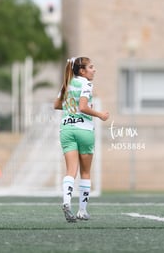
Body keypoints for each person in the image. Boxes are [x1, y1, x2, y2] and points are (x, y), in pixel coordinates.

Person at [54, 56, 109, 222]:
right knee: (85, 172)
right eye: (91, 67)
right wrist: (100, 114)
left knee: (71, 171)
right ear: (82, 71)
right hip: (84, 130)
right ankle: (82, 211)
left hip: (66, 129)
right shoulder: (86, 84)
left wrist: (70, 107)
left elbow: (56, 105)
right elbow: (83, 107)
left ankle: (66, 202)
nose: (94, 70)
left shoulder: (67, 83)